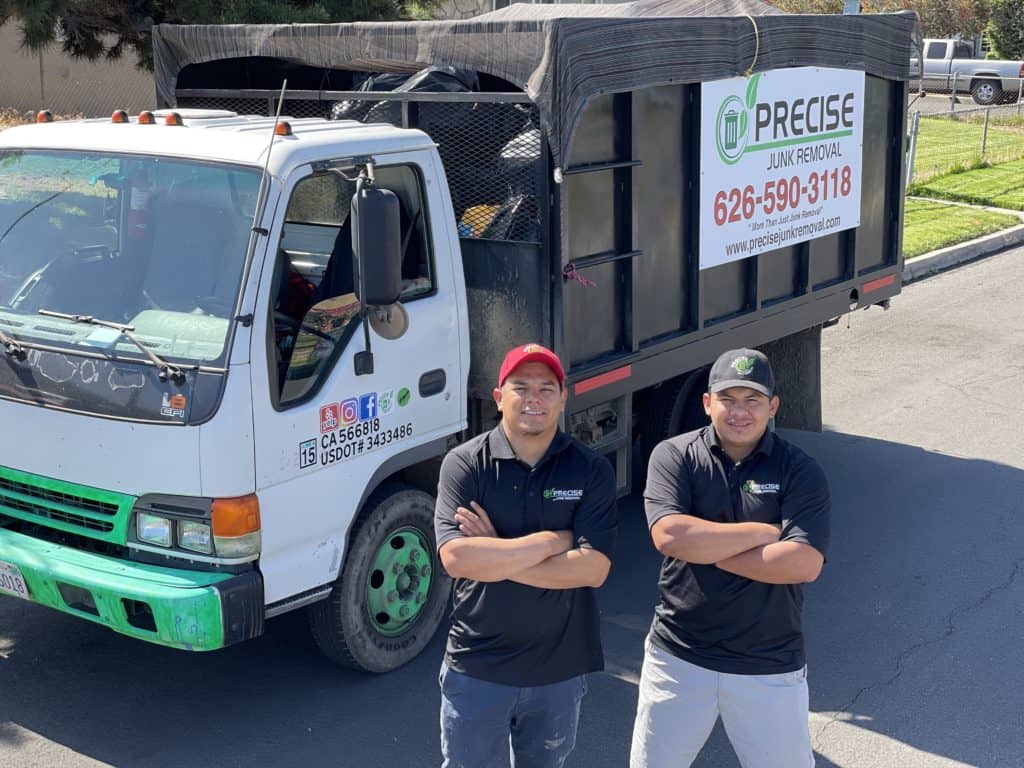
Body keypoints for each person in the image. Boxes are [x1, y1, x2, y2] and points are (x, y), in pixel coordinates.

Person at [630, 348, 831, 768]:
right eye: (728, 399)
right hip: (678, 657)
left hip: (768, 663)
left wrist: (708, 546)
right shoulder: (675, 456)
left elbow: (803, 563)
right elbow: (669, 536)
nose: (739, 412)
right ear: (707, 404)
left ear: (772, 406)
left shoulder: (800, 470)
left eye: (752, 400)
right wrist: (762, 533)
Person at [434, 342, 618, 768]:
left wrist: (496, 551)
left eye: (545, 388)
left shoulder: (590, 469)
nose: (533, 398)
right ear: (499, 397)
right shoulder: (465, 464)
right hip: (477, 666)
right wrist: (555, 541)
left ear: (563, 397)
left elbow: (593, 569)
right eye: (521, 387)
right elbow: (458, 560)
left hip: (559, 668)